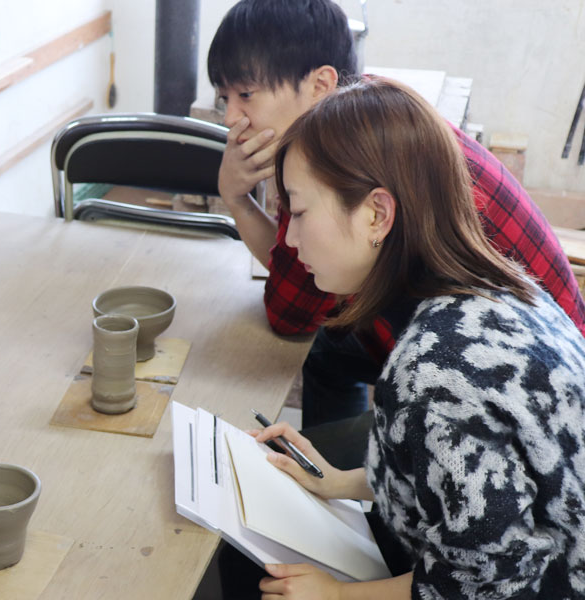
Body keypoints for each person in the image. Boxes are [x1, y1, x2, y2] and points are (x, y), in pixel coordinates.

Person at [249, 76, 585, 599]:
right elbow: (463, 474)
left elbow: (486, 585)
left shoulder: (436, 370)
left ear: (377, 214)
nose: (289, 238)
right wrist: (337, 480)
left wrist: (337, 597)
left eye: (300, 210)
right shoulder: (498, 283)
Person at [208, 0, 585, 431]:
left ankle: (332, 470)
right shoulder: (367, 113)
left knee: (321, 352)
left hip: (532, 410)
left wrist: (237, 199)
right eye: (225, 98)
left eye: (246, 95)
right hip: (536, 356)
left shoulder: (337, 165)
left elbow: (289, 313)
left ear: (320, 85)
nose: (232, 117)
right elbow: (299, 273)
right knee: (330, 350)